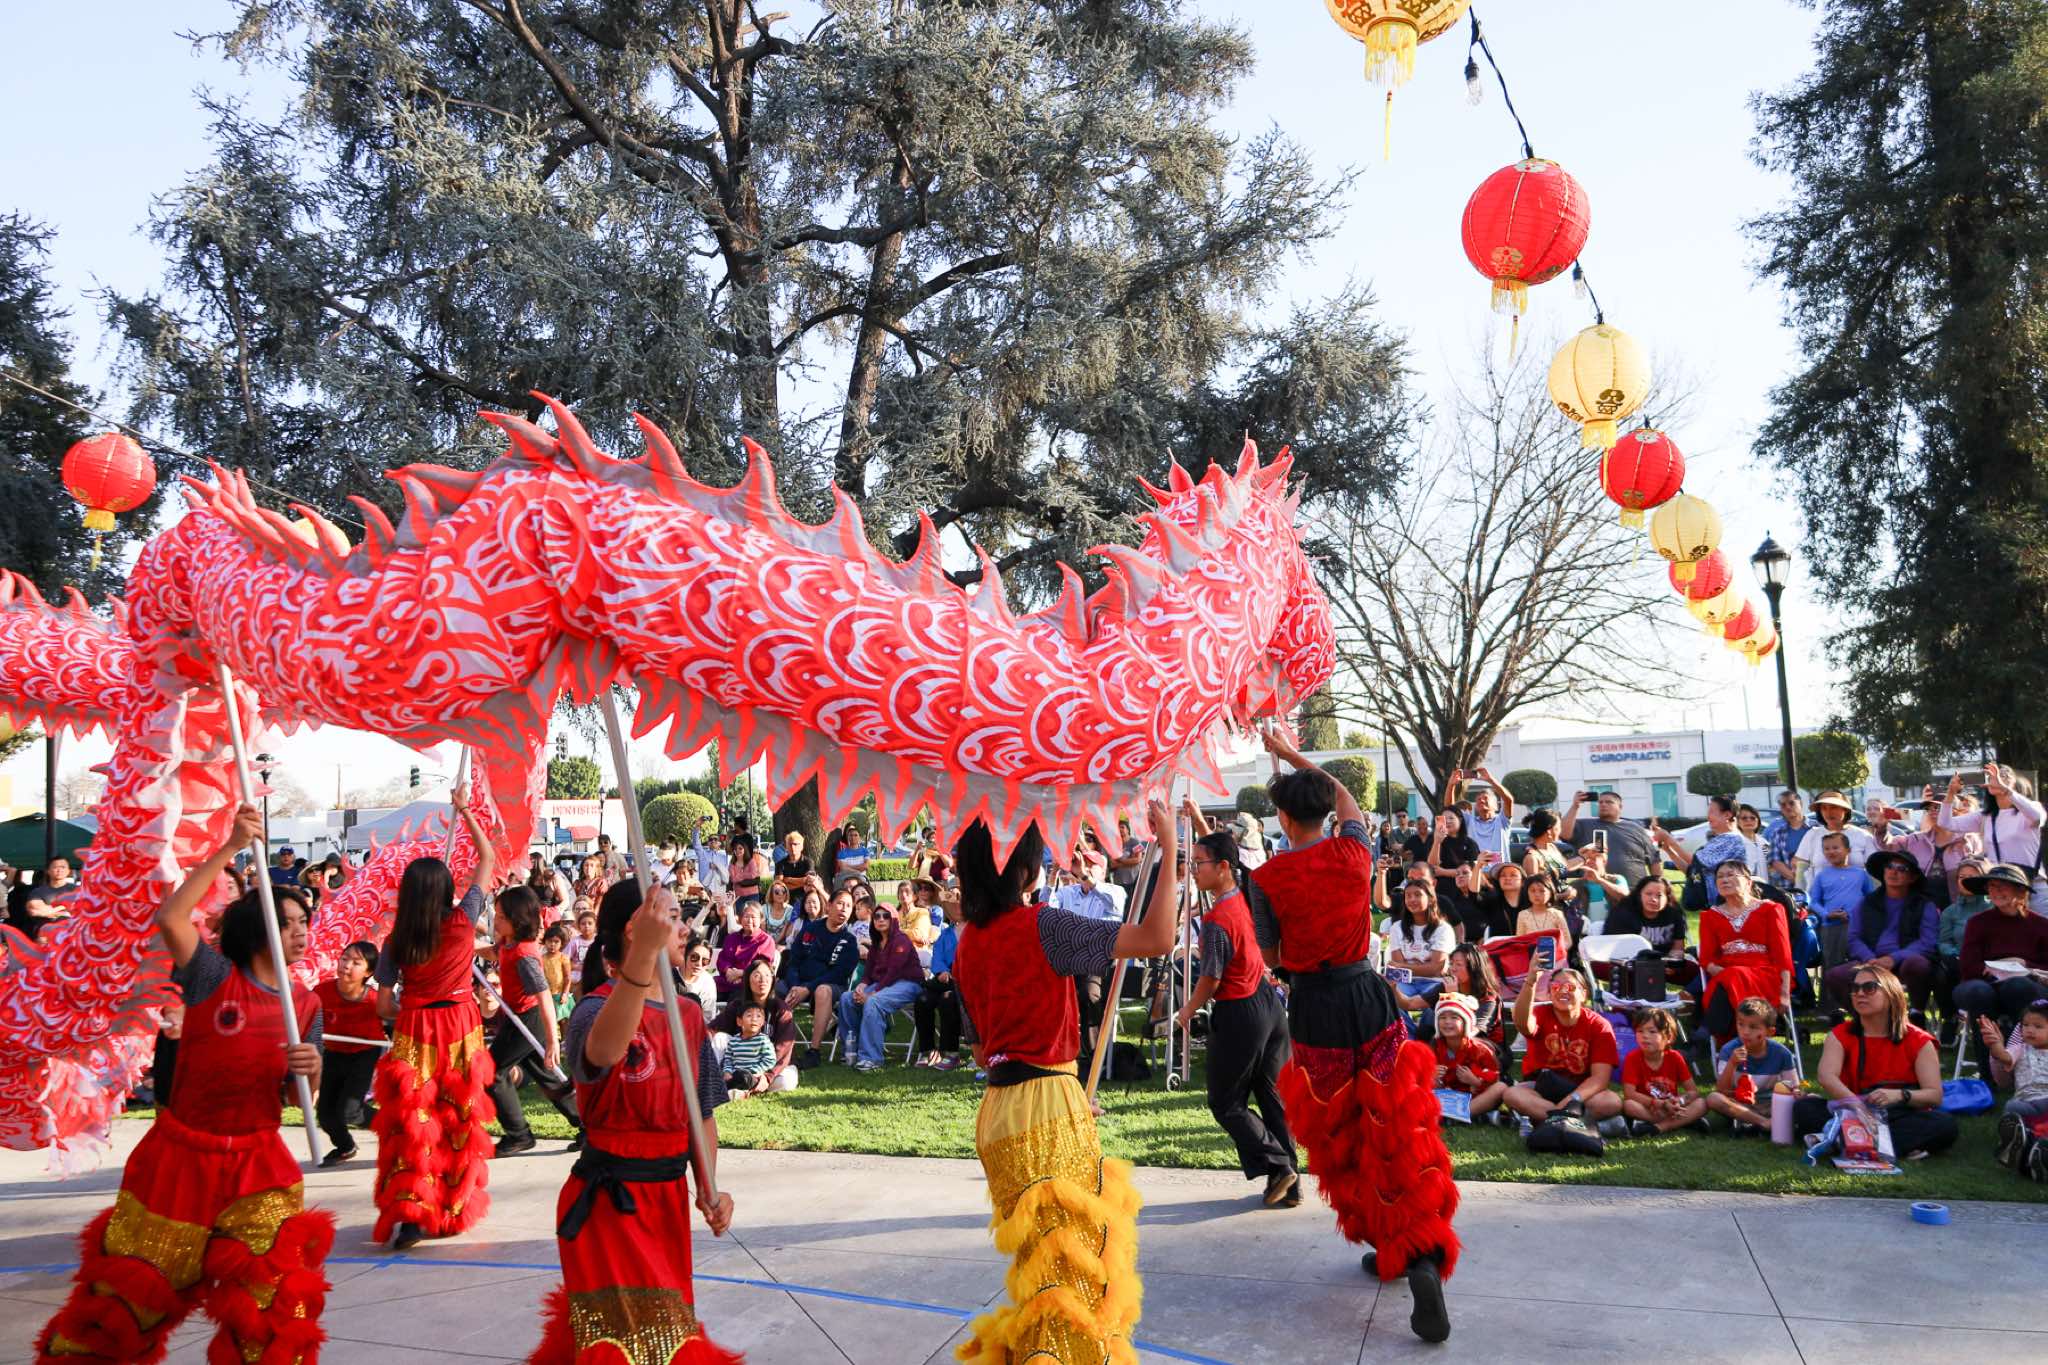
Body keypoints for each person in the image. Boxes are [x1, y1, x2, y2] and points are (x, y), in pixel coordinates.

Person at [35, 803, 332, 1365]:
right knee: (128, 1302)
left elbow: (301, 1101)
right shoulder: (212, 977)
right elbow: (172, 918)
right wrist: (231, 844)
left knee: (270, 1309)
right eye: (287, 922)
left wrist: (310, 1070)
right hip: (180, 1163)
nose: (300, 933)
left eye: (303, 923)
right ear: (257, 929)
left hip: (258, 1167)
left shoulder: (307, 1006)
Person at [1248, 732, 1458, 1343]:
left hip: (1315, 1007)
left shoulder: (1266, 877)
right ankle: (1416, 1249)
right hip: (1367, 995)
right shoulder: (1354, 853)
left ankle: (1385, 1235)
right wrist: (1293, 757)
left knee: (1341, 1130)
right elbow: (1347, 799)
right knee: (1396, 1120)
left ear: (1283, 818)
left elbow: (1271, 956)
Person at [951, 802, 1177, 1365]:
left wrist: (1064, 1088)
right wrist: (1171, 848)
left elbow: (981, 1050)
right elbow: (1157, 938)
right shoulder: (1045, 926)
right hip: (1045, 1110)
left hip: (999, 1112)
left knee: (1041, 1272)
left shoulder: (967, 943)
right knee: (1069, 1283)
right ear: (1026, 870)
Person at [525, 878, 739, 1365]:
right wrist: (642, 957)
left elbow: (700, 1114)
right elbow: (604, 1052)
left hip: (665, 1206)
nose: (684, 929)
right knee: (625, 1347)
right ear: (634, 929)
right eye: (672, 917)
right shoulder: (594, 1008)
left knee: (666, 1341)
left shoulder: (688, 1015)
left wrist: (709, 1187)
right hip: (609, 1208)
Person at [371, 784, 498, 1251]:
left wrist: (406, 1009)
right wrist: (464, 811)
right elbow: (487, 858)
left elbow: (383, 1005)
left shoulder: (395, 941)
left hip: (414, 1027)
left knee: (414, 1121)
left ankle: (411, 1214)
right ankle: (452, 1207)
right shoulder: (463, 923)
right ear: (447, 890)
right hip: (461, 1026)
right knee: (457, 1119)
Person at [1175, 829, 1299, 1207]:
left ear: (1224, 867)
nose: (1193, 870)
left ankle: (1279, 1164)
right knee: (1271, 1098)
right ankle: (1290, 1187)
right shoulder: (1243, 895)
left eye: (1199, 863)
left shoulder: (1216, 919)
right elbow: (1229, 851)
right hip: (1270, 1007)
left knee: (1225, 1102)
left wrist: (1188, 1009)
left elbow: (1211, 978)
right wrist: (1200, 821)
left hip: (1241, 1012)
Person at [1792, 964, 1958, 1159]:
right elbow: (1826, 1076)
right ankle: (1885, 1145)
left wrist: (1900, 1095)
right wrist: (1857, 1106)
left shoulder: (1919, 1040)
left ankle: (1842, 1141)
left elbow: (1934, 1095)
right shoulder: (1841, 1034)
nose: (1860, 993)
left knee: (1944, 1124)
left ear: (1890, 993)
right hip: (1852, 1111)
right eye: (1855, 988)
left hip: (1901, 1114)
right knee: (1805, 1108)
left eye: (1869, 988)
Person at [486, 884, 582, 1158]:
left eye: (501, 916)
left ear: (517, 920)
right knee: (549, 1079)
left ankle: (519, 1134)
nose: (496, 921)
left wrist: (552, 1041)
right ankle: (588, 1127)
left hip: (529, 1019)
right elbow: (492, 952)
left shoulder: (525, 955)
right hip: (521, 1019)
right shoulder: (508, 943)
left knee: (492, 1072)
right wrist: (463, 947)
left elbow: (544, 997)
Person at [1504, 965, 1623, 1125]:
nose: (1562, 991)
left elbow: (1599, 1079)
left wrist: (1569, 1101)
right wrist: (1530, 982)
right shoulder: (1540, 1014)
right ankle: (1573, 1123)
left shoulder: (1599, 1025)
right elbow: (1521, 1023)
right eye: (1556, 987)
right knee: (1512, 1094)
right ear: (1549, 993)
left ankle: (1547, 1120)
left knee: (1611, 1101)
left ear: (1584, 994)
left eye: (1570, 987)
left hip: (1580, 1091)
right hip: (1541, 1088)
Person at [1823, 850, 1939, 1012]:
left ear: (1912, 878)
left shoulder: (1924, 905)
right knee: (1835, 975)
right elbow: (1853, 937)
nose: (1893, 872)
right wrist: (1870, 959)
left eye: (1902, 869)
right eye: (1889, 866)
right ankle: (1863, 1018)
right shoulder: (1866, 903)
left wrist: (1893, 958)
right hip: (1871, 960)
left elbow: (1927, 942)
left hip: (1905, 961)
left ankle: (1916, 1013)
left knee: (1917, 965)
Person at [1954, 863, 2048, 1058]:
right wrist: (1997, 968)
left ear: (2020, 891)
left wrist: (2024, 964)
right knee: (1979, 993)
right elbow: (1968, 965)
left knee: (2017, 986)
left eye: (2002, 886)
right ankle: (1987, 1067)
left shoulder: (2041, 925)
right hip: (1982, 982)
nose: (1996, 891)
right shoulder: (1978, 922)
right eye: (1992, 886)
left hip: (2027, 985)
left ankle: (2023, 1061)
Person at [1697, 861, 1793, 1042]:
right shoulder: (1710, 916)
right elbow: (1707, 960)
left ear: (1748, 882)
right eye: (1720, 877)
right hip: (1726, 975)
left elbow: (1783, 954)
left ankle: (1704, 1035)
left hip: (1764, 975)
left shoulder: (1771, 909)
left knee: (1732, 976)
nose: (1724, 880)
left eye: (1730, 875)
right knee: (1731, 976)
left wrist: (1785, 993)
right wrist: (1725, 975)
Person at [1934, 765, 2047, 910]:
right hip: (2001, 889)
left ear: (2015, 783)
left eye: (2003, 776)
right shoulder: (1985, 816)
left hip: (2032, 887)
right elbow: (1945, 823)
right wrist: (1951, 793)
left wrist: (2005, 789)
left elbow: (2037, 817)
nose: (1997, 779)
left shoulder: (2029, 810)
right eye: (1991, 777)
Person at [314, 939, 384, 1165]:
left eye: (356, 962)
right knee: (325, 1115)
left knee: (350, 1111)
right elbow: (308, 1024)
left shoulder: (375, 1001)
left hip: (364, 1054)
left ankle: (390, 1125)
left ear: (368, 972)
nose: (346, 965)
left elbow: (395, 1023)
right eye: (344, 959)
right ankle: (345, 1147)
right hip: (334, 1053)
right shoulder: (321, 992)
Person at [836, 903, 924, 1070]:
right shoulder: (877, 943)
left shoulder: (901, 940)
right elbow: (869, 970)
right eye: (877, 916)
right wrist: (863, 985)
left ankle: (871, 1058)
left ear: (893, 919)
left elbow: (894, 972)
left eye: (886, 916)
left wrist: (872, 993)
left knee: (873, 1001)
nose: (881, 919)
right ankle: (851, 1051)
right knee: (847, 998)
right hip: (883, 984)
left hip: (908, 983)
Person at [779, 891, 861, 1066]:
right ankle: (771, 1045)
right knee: (770, 988)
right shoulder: (810, 930)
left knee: (822, 991)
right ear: (829, 905)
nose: (844, 909)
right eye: (840, 903)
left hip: (830, 986)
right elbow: (793, 961)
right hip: (798, 983)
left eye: (848, 906)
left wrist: (807, 988)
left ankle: (814, 1052)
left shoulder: (849, 941)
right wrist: (795, 986)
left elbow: (837, 974)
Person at [1704, 998, 1801, 1133]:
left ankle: (1753, 1123)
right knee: (1713, 1098)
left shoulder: (1782, 1054)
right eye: (1741, 1024)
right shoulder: (1729, 1050)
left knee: (1811, 1099)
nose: (1745, 1032)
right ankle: (1764, 1122)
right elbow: (1722, 1090)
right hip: (1741, 1105)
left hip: (1772, 1104)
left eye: (1753, 1027)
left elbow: (1793, 1088)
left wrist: (1796, 1093)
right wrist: (1732, 1063)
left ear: (1770, 1032)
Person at [711, 959, 799, 1093]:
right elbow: (713, 1028)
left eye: (767, 975)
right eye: (757, 975)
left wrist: (767, 1076)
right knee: (719, 1038)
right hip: (739, 1063)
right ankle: (722, 1080)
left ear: (773, 980)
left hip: (769, 1066)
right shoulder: (737, 1005)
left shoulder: (781, 1009)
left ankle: (743, 1085)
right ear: (747, 980)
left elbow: (784, 1048)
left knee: (786, 1081)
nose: (763, 980)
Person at [1619, 1007, 1707, 1137]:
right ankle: (1684, 1121)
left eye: (1652, 1031)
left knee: (1702, 1103)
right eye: (1640, 1031)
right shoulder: (1632, 1058)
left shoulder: (1675, 1057)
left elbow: (1693, 1092)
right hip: (1649, 1108)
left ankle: (1658, 1127)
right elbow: (1629, 1094)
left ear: (1668, 1037)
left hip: (1673, 1106)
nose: (1644, 1036)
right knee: (1628, 1105)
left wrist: (1680, 1101)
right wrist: (1658, 1104)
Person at [1986, 1001, 2048, 1182]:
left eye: (2038, 1026)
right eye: (2025, 1025)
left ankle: (2030, 1150)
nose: (2030, 1030)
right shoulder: (2019, 1049)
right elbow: (2003, 1056)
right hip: (2026, 1103)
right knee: (2011, 1107)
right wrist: (1995, 1044)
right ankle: (2018, 1142)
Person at [1600, 874, 1693, 983]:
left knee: (1694, 970)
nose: (1653, 899)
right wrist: (1648, 967)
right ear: (1639, 895)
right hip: (1628, 964)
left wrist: (1672, 965)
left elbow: (1678, 948)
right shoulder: (1623, 913)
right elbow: (1615, 951)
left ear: (1667, 897)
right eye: (1648, 894)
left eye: (1659, 895)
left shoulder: (1674, 914)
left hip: (1663, 963)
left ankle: (1689, 993)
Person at [1429, 993, 1506, 1121]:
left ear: (1466, 1022)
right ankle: (1466, 1116)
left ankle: (1452, 1115)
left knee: (1500, 1088)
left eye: (1454, 1017)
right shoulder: (1433, 1047)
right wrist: (1432, 1076)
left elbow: (1494, 1079)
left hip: (1473, 1098)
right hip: (1446, 1096)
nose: (1447, 1022)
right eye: (1442, 1017)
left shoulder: (1480, 1049)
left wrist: (1474, 1081)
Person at [914, 891, 968, 1069]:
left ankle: (951, 1053)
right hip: (945, 980)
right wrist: (942, 971)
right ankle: (927, 1050)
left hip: (967, 982)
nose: (957, 908)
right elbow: (937, 957)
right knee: (922, 999)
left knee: (947, 999)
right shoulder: (945, 934)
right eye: (953, 906)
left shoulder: (977, 930)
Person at [1807, 831, 1875, 972]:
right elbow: (1814, 902)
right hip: (1831, 927)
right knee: (1831, 965)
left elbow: (1871, 899)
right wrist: (1826, 914)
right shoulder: (1822, 876)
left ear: (1848, 850)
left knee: (1859, 965)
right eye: (1826, 848)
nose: (1831, 851)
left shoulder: (1860, 874)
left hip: (1857, 925)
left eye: (1835, 847)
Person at [1560, 790, 1655, 886]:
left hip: (1634, 890)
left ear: (1620, 807)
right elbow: (1564, 834)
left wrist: (1657, 884)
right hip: (1595, 890)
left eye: (1609, 802)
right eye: (1600, 802)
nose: (1603, 804)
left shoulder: (1636, 829)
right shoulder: (1585, 825)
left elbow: (1654, 860)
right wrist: (1575, 806)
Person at [1793, 790, 1876, 883]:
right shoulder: (1812, 835)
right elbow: (1800, 867)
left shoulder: (1863, 836)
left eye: (1834, 807)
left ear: (1845, 809)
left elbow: (1874, 871)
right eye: (1824, 808)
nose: (1828, 812)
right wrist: (1803, 889)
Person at [1406, 807, 1479, 901]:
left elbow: (1472, 870)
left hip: (1465, 890)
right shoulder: (1432, 839)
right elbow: (1432, 867)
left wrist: (1444, 872)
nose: (1447, 821)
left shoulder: (1470, 843)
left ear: (1460, 820)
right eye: (1444, 819)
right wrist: (1437, 842)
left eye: (1451, 818)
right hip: (1441, 890)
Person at [713, 901, 777, 1001]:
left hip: (749, 984)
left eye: (753, 917)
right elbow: (722, 959)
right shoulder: (731, 938)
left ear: (761, 919)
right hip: (726, 980)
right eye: (746, 916)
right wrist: (728, 970)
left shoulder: (766, 940)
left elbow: (762, 967)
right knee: (705, 989)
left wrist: (741, 973)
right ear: (740, 919)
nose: (749, 920)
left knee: (736, 1001)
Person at [1454, 767, 1515, 869]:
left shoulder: (1502, 821)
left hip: (1500, 873)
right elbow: (1450, 809)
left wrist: (1490, 780)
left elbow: (1508, 800)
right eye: (1478, 800)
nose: (1481, 801)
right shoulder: (1469, 821)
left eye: (1485, 798)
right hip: (1477, 874)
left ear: (1496, 805)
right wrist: (1451, 785)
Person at [1514, 869, 1573, 962]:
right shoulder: (1523, 915)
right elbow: (1519, 941)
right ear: (1527, 893)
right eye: (1532, 891)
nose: (1537, 894)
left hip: (1556, 959)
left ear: (1550, 892)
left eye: (1542, 891)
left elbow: (1567, 941)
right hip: (1531, 959)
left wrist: (1555, 952)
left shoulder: (1556, 914)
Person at [1765, 790, 1811, 891]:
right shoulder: (1777, 833)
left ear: (1801, 804)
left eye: (1791, 803)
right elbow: (1775, 861)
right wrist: (1798, 882)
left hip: (1816, 884)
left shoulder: (1815, 828)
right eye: (1783, 805)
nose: (1788, 807)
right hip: (1789, 888)